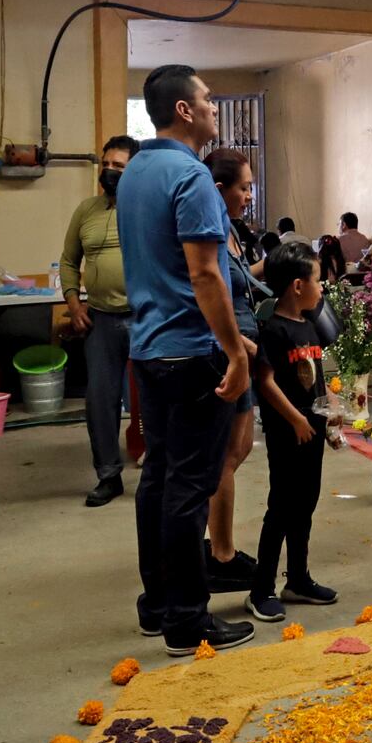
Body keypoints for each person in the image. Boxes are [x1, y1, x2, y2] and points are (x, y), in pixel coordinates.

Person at [116, 65, 254, 656]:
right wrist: (233, 350)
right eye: (208, 100)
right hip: (192, 350)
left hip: (149, 347)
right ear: (184, 111)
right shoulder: (191, 176)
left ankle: (158, 602)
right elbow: (202, 273)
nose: (216, 109)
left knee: (159, 478)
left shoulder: (136, 171)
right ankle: (188, 620)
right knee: (189, 487)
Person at [249, 247, 339, 621]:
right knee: (282, 507)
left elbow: (315, 377)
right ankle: (260, 589)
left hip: (312, 429)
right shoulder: (274, 329)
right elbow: (266, 383)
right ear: (298, 285)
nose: (323, 287)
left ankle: (298, 579)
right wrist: (295, 420)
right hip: (288, 433)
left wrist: (333, 403)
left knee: (306, 504)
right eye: (318, 280)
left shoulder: (309, 325)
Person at [58, 134, 139, 508]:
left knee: (156, 400)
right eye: (105, 165)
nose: (108, 172)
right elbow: (69, 261)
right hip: (101, 321)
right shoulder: (86, 210)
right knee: (99, 402)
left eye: (118, 167)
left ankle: (160, 473)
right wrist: (74, 304)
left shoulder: (146, 208)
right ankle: (108, 476)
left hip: (145, 319)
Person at [203, 149, 269, 596]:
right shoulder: (207, 231)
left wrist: (281, 267)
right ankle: (220, 553)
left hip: (246, 341)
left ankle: (221, 546)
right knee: (227, 454)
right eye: (243, 187)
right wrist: (238, 348)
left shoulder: (230, 230)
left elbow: (241, 281)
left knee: (240, 448)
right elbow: (209, 292)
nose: (249, 195)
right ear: (219, 188)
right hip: (234, 347)